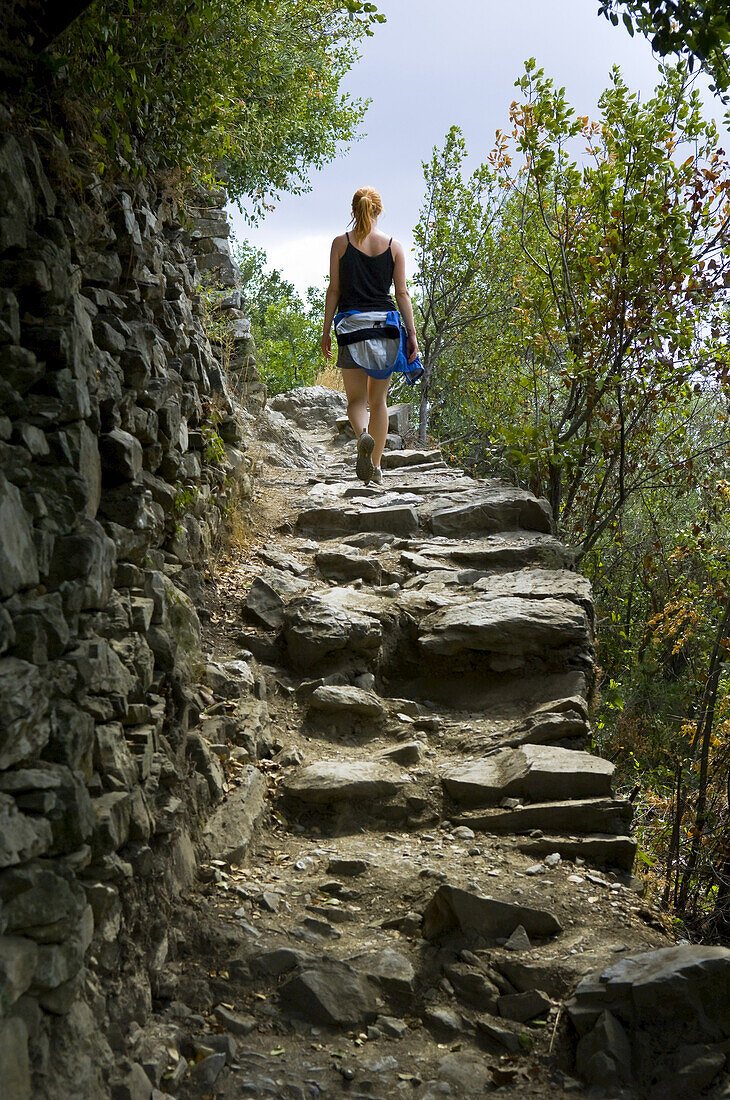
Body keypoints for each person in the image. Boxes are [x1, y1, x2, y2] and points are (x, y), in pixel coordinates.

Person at [321, 186, 421, 485]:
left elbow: (334, 290)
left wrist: (326, 331)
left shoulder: (340, 243)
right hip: (386, 329)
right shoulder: (394, 246)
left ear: (354, 210)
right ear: (379, 210)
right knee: (379, 402)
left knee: (356, 400)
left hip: (351, 327)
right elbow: (402, 293)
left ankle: (362, 435)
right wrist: (412, 335)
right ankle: (376, 468)